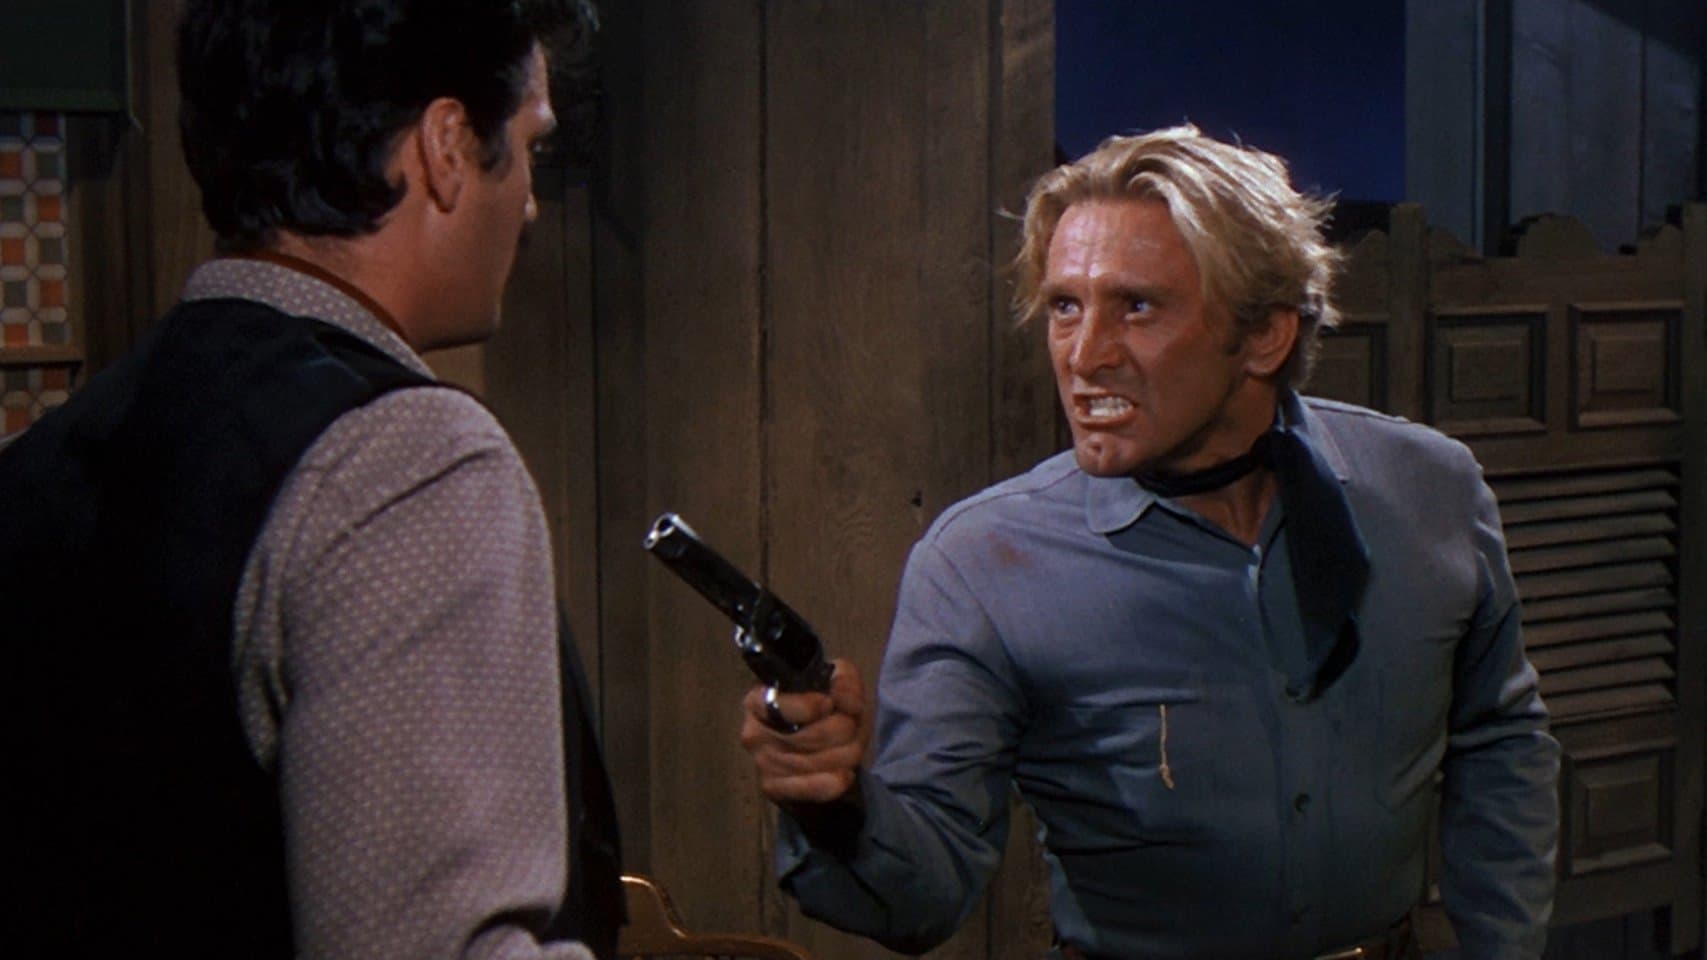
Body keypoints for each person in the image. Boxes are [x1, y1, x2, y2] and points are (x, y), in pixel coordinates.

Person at [741, 125, 1560, 959]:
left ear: (1264, 335)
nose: (1083, 356)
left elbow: (1500, 745)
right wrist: (834, 805)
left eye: (1135, 306)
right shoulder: (982, 564)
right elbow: (924, 894)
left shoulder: (1428, 490)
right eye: (1064, 307)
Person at [0, 2, 621, 958]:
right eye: (529, 144)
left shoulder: (48, 459)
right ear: (445, 148)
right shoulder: (407, 463)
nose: (531, 201)